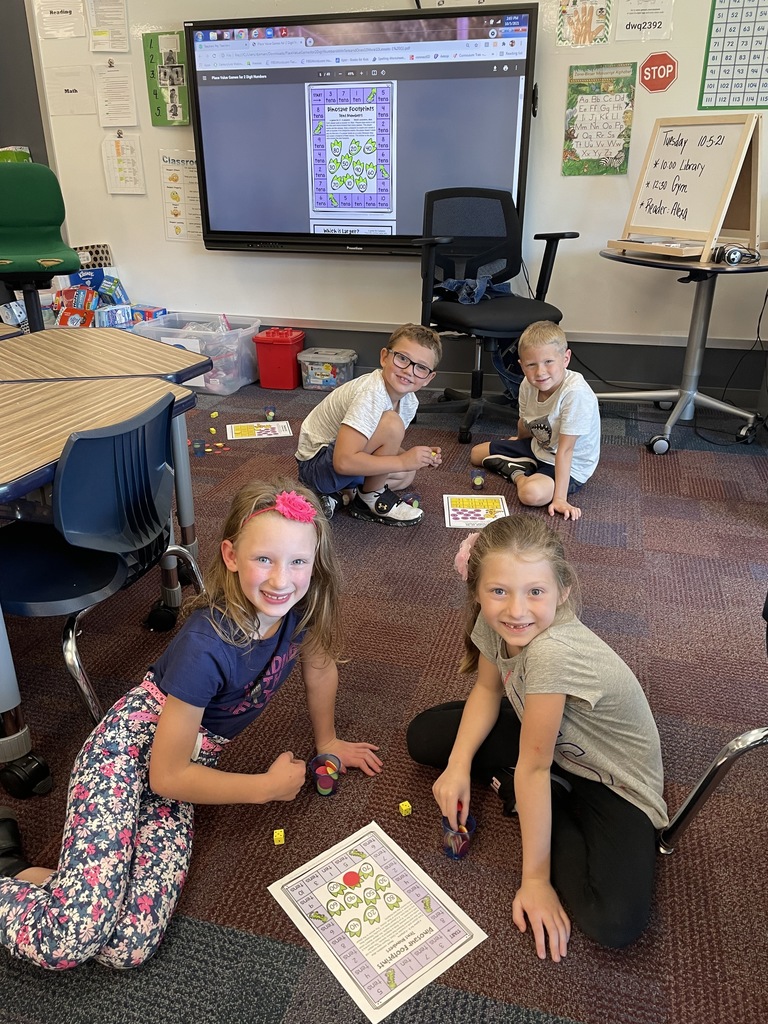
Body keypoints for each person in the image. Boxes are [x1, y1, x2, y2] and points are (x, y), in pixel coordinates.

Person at [0, 479, 381, 970]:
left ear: (315, 562)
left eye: (298, 562)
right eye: (264, 559)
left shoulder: (302, 606)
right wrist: (264, 787)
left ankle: (27, 874)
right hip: (125, 758)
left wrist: (327, 740)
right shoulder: (207, 644)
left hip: (185, 768)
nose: (281, 580)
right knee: (66, 942)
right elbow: (166, 775)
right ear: (230, 555)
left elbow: (320, 666)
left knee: (125, 947)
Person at [407, 516, 667, 961]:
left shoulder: (551, 651)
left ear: (563, 590)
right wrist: (458, 765)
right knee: (426, 738)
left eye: (535, 591)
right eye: (498, 591)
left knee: (613, 921)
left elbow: (534, 764)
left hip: (612, 779)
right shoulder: (500, 624)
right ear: (477, 590)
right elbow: (488, 690)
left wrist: (535, 881)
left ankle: (531, 796)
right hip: (551, 734)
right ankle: (533, 794)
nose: (516, 610)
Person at [295, 323, 443, 526]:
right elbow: (343, 462)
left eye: (421, 368)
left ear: (429, 378)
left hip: (342, 459)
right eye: (402, 358)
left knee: (408, 474)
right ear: (384, 357)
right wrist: (403, 461)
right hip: (316, 467)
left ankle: (341, 496)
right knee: (394, 432)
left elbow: (383, 441)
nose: (409, 371)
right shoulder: (371, 393)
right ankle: (369, 499)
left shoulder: (410, 402)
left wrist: (415, 458)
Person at [470, 321, 600, 521]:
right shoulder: (527, 384)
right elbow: (526, 421)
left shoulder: (576, 394)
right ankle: (526, 464)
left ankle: (517, 473)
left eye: (549, 362)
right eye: (531, 365)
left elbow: (566, 450)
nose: (540, 372)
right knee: (476, 454)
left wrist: (560, 499)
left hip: (569, 463)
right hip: (538, 446)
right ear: (522, 365)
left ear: (565, 359)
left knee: (530, 494)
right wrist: (518, 441)